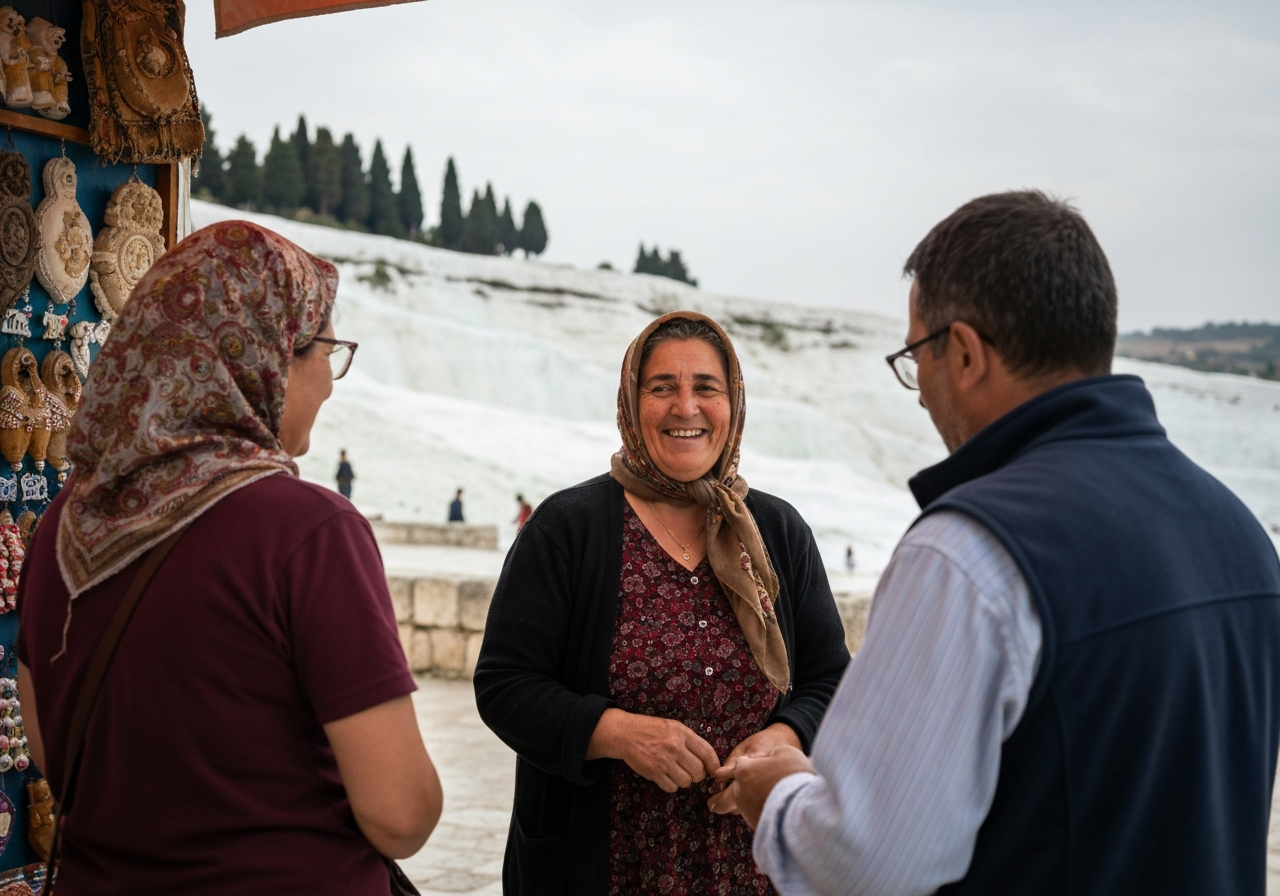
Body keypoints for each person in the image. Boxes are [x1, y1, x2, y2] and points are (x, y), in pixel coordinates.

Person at [719, 191, 1280, 895]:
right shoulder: (1239, 531)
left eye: (915, 355)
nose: (919, 389)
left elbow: (865, 861)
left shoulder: (968, 553)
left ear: (963, 353)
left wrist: (776, 794)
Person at [16, 221, 443, 895]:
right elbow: (400, 814)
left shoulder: (63, 528)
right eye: (325, 352)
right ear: (267, 355)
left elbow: (52, 758)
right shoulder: (307, 531)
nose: (330, 384)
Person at [474, 312, 850, 895]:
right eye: (662, 388)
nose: (686, 407)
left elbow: (830, 677)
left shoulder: (778, 531)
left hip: (751, 872)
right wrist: (617, 732)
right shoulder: (568, 528)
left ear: (734, 402)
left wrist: (787, 736)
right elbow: (505, 684)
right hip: (604, 866)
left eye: (706, 387)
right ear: (631, 399)